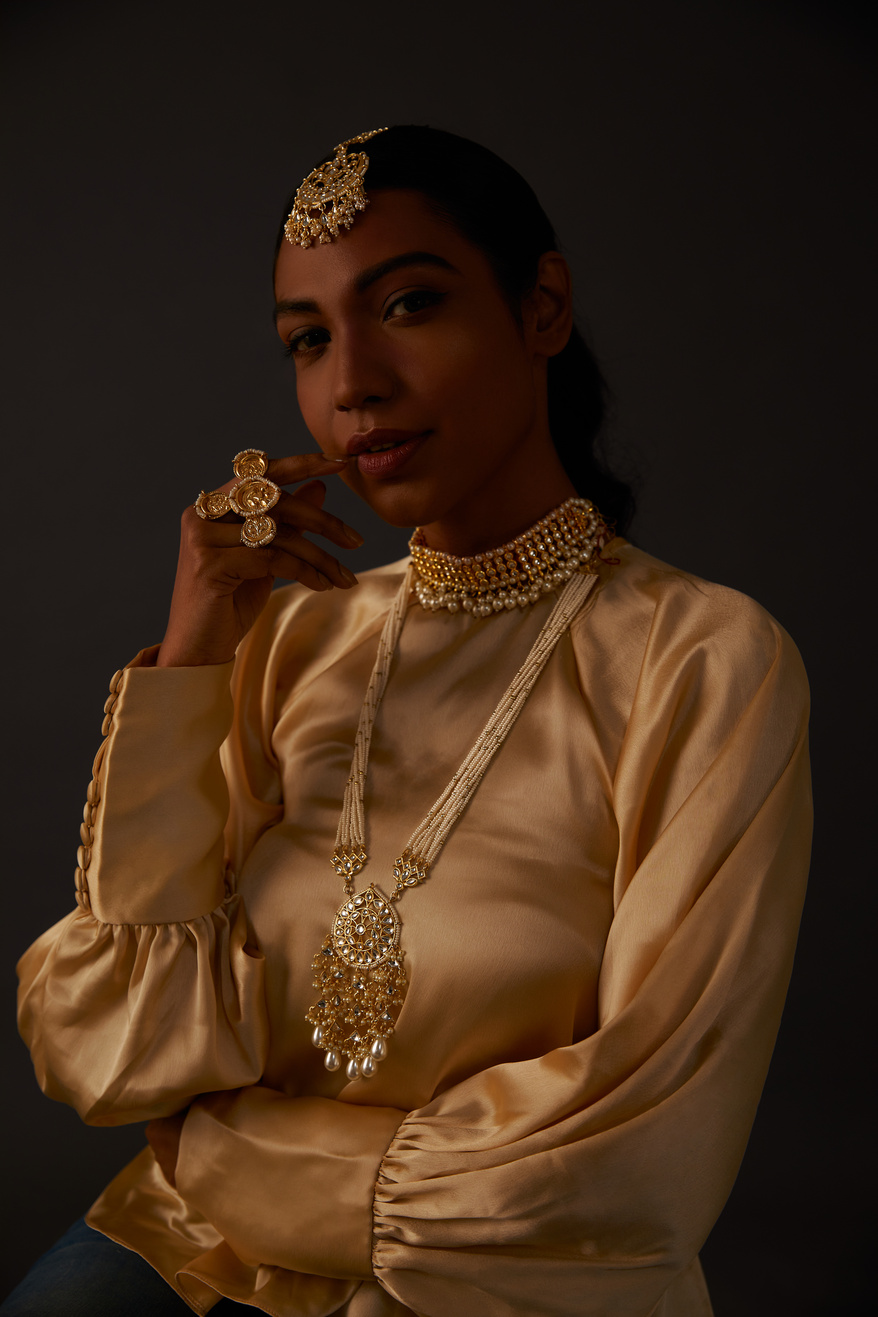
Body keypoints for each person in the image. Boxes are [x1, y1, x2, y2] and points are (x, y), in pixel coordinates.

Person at [9, 125, 811, 1317]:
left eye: (408, 305)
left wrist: (238, 1156)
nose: (353, 383)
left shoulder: (697, 658)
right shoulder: (296, 637)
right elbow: (121, 1047)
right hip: (192, 1245)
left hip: (496, 1272)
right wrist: (192, 656)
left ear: (540, 308)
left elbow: (638, 1147)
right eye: (308, 339)